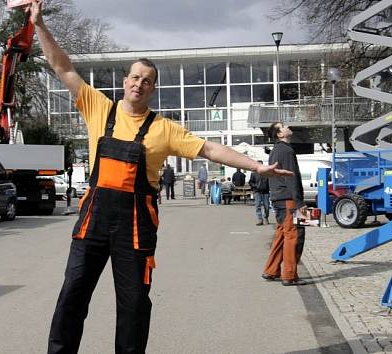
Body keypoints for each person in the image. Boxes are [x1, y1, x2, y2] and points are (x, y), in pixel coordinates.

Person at [29, 2, 292, 351]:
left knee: (135, 303)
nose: (139, 84)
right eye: (135, 77)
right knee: (72, 295)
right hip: (93, 218)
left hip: (136, 225)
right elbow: (61, 67)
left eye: (147, 81)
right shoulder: (98, 107)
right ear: (125, 82)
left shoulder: (164, 128)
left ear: (152, 89)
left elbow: (210, 149)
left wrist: (256, 165)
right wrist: (40, 25)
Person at [262, 122, 308, 286]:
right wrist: (300, 202)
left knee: (282, 234)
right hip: (289, 199)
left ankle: (271, 270)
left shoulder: (275, 151)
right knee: (293, 236)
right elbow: (291, 177)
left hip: (278, 198)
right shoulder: (287, 150)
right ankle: (289, 275)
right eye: (283, 126)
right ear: (280, 134)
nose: (287, 126)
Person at [249, 160, 270, 225]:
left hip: (265, 192)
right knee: (258, 206)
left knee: (266, 206)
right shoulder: (253, 173)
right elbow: (251, 182)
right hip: (257, 191)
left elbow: (270, 182)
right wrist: (255, 186)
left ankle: (266, 217)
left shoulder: (266, 173)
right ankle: (260, 219)